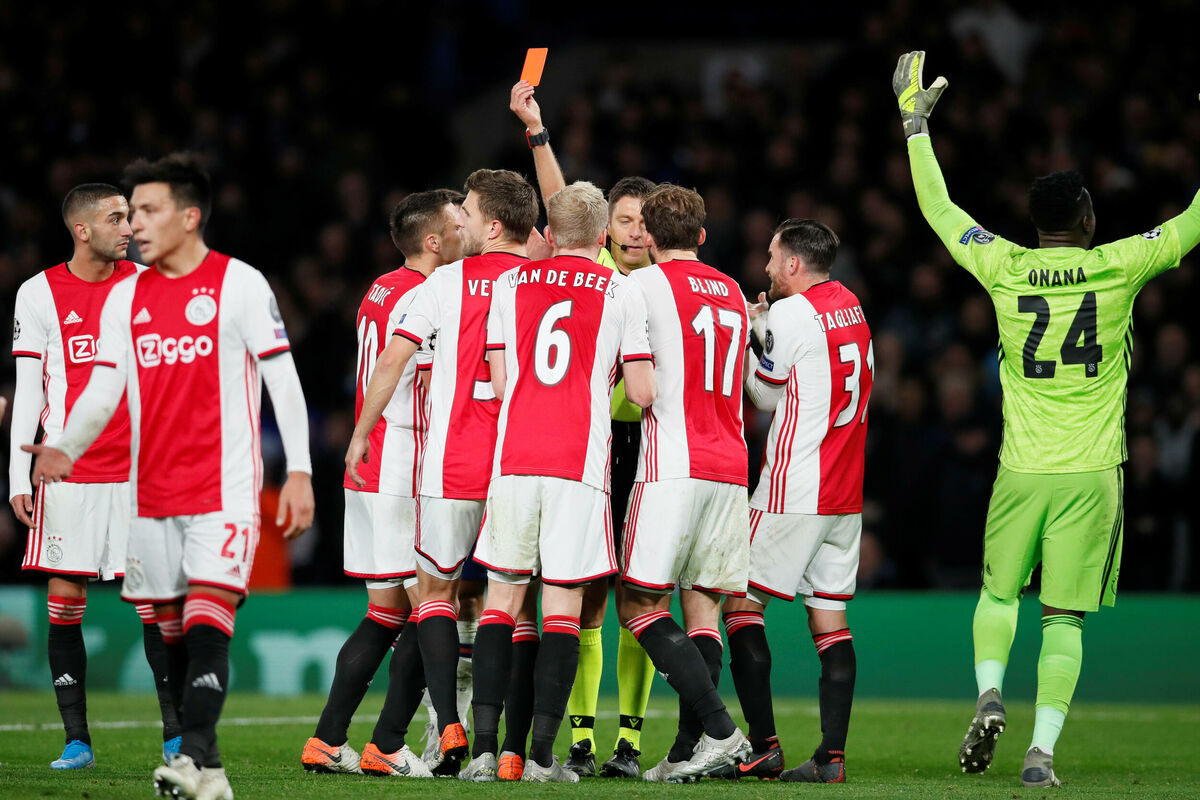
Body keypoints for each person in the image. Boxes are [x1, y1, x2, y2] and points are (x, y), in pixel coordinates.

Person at [893, 50, 1200, 787]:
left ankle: (988, 692)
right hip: (1092, 475)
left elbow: (940, 211)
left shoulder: (1003, 264)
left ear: (1036, 225)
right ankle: (1041, 754)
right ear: (1088, 219)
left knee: (998, 594)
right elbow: (1195, 219)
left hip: (1021, 470)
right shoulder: (1121, 263)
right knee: (1063, 617)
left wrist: (914, 127)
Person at [25, 153, 315, 800]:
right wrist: (65, 447)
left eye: (149, 211)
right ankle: (209, 771)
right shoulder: (126, 295)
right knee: (172, 626)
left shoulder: (240, 284)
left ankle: (189, 758)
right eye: (131, 212)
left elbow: (284, 381)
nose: (135, 225)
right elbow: (105, 387)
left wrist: (299, 470)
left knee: (208, 615)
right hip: (148, 493)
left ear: (189, 217)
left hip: (222, 487)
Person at [459, 180, 656, 783]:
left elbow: (498, 379)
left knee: (501, 604)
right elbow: (642, 392)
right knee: (564, 610)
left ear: (550, 231)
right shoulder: (621, 290)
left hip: (515, 460)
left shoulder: (510, 283)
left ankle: (487, 752)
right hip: (579, 467)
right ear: (601, 236)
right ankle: (541, 758)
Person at [347, 167, 540, 776]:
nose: (462, 219)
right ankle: (510, 751)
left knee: (436, 594)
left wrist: (360, 432)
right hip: (520, 463)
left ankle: (447, 725)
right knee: (517, 608)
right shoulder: (545, 278)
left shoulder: (445, 282)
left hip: (451, 460)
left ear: (492, 224)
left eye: (470, 210)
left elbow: (392, 361)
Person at [510, 80, 658, 778]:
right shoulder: (598, 273)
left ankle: (630, 740)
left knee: (641, 597)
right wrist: (537, 132)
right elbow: (561, 201)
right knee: (588, 598)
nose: (632, 231)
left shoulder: (665, 284)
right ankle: (581, 739)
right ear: (606, 230)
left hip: (649, 451)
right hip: (594, 451)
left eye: (643, 222)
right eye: (622, 220)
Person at [9, 183, 182, 769]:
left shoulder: (148, 284)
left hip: (138, 471)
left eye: (129, 216)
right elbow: (29, 390)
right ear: (82, 230)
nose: (129, 228)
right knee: (65, 599)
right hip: (69, 473)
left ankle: (176, 736)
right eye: (115, 218)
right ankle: (76, 740)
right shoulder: (37, 293)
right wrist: (18, 476)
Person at [300, 189, 463, 778]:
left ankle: (327, 740)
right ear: (433, 241)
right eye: (457, 224)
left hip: (371, 467)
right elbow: (425, 376)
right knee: (431, 604)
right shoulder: (426, 295)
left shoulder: (381, 288)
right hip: (401, 462)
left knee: (386, 611)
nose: (466, 231)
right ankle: (396, 741)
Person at [720, 218, 872, 783]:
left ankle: (763, 746)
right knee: (829, 619)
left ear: (792, 264)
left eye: (771, 256)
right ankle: (832, 758)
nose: (765, 266)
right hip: (845, 492)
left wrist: (751, 333)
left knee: (737, 605)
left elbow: (762, 395)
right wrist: (769, 331)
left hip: (795, 487)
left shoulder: (789, 313)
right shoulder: (851, 305)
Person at [615, 184, 752, 782]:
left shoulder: (639, 286)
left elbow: (641, 391)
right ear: (700, 235)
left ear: (646, 234)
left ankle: (722, 733)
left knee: (638, 604)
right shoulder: (734, 291)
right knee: (702, 611)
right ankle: (684, 754)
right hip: (731, 466)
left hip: (673, 464)